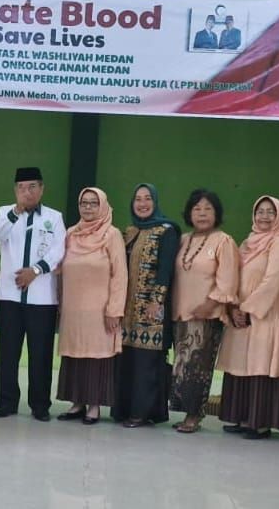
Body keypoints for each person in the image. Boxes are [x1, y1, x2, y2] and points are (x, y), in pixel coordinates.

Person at [0, 167, 66, 422]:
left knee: (41, 353)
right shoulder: (5, 213)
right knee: (8, 353)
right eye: (22, 187)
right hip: (9, 297)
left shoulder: (54, 217)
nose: (27, 192)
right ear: (15, 190)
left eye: (32, 187)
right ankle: (7, 402)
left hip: (42, 298)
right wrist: (16, 211)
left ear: (42, 189)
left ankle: (40, 405)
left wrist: (35, 270)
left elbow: (59, 250)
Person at [218, 196, 279, 439]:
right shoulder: (247, 243)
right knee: (241, 364)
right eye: (260, 211)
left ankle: (259, 422)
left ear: (278, 216)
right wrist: (233, 307)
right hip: (241, 314)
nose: (264, 216)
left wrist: (249, 309)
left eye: (270, 212)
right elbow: (233, 275)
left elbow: (273, 280)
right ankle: (241, 416)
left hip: (266, 314)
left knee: (260, 365)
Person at [56, 188, 126, 425]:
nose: (87, 207)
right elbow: (59, 271)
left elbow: (120, 275)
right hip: (73, 310)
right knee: (74, 354)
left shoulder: (112, 235)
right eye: (83, 203)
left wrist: (114, 310)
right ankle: (77, 403)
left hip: (100, 311)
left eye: (93, 203)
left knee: (97, 356)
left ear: (103, 206)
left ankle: (94, 406)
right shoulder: (70, 234)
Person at [170, 189, 238, 433]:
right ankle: (185, 412)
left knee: (198, 368)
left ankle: (194, 415)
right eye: (197, 208)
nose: (202, 213)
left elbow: (228, 281)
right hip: (180, 313)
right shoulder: (183, 240)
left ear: (216, 213)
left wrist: (208, 305)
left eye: (208, 208)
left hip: (206, 316)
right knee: (182, 366)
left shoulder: (224, 241)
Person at [112, 183, 180, 428]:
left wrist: (157, 301)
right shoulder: (130, 231)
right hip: (127, 309)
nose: (142, 203)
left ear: (155, 202)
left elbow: (166, 269)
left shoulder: (166, 231)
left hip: (151, 309)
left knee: (147, 363)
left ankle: (142, 412)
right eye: (138, 199)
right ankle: (123, 409)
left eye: (147, 198)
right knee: (127, 360)